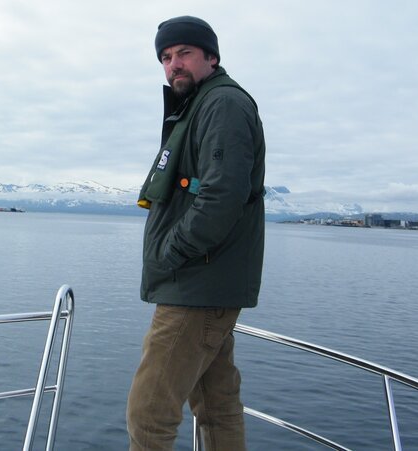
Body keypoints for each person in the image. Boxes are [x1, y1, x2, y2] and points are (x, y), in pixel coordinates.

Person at [127, 15, 266, 451]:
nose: (173, 65)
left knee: (149, 414)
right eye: (165, 58)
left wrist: (171, 254)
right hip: (208, 283)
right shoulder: (202, 104)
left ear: (211, 56)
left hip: (195, 285)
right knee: (216, 404)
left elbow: (222, 196)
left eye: (184, 53)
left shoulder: (222, 104)